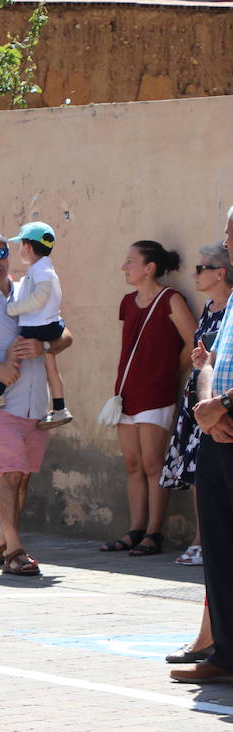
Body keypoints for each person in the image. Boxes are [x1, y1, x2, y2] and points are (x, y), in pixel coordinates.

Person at [0, 232, 74, 576]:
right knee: (9, 476)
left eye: (1, 253)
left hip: (38, 406)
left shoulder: (31, 288)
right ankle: (15, 552)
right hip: (2, 405)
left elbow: (65, 335)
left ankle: (3, 543)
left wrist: (46, 348)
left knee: (22, 479)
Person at [100, 240, 196, 556]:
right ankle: (135, 529)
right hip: (126, 393)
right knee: (132, 464)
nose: (124, 267)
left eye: (130, 261)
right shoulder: (127, 302)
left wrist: (169, 372)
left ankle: (154, 533)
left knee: (154, 463)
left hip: (157, 393)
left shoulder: (171, 299)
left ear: (149, 267)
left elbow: (193, 341)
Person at [171, 206, 233, 685]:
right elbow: (213, 362)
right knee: (220, 547)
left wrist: (221, 405)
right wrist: (208, 403)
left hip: (226, 422)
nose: (228, 242)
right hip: (219, 432)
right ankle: (226, 655)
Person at [162, 243, 231, 568]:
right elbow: (206, 357)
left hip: (223, 407)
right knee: (198, 471)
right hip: (201, 403)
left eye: (202, 268)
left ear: (220, 272)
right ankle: (202, 540)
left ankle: (205, 542)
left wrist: (219, 405)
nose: (195, 274)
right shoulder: (210, 307)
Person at [0, 222, 72, 429]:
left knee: (15, 350)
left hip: (40, 326)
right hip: (48, 324)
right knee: (51, 368)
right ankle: (59, 408)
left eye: (2, 252)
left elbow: (40, 297)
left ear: (27, 247)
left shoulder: (40, 271)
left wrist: (15, 308)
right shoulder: (43, 269)